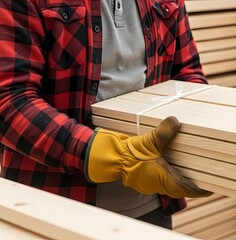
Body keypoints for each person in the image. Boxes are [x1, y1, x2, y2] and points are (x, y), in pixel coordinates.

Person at [0, 0, 212, 230]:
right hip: (53, 207)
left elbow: (188, 76)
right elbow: (9, 99)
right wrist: (111, 156)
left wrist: (203, 151)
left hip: (151, 203)